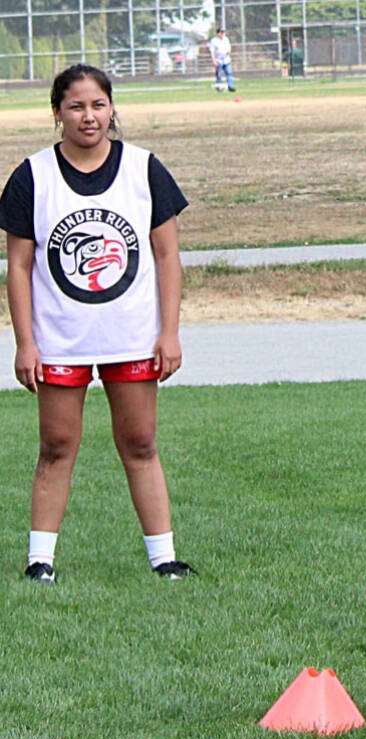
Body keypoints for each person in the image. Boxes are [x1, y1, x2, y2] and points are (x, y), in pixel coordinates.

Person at [0, 64, 195, 584]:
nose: (89, 116)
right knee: (56, 446)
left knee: (140, 444)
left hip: (131, 335)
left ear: (112, 108)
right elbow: (17, 266)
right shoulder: (32, 176)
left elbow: (167, 256)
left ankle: (165, 560)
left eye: (98, 105)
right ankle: (40, 561)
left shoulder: (145, 169)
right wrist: (25, 343)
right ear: (57, 113)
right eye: (76, 106)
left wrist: (169, 331)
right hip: (60, 339)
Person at [208, 27, 235, 92]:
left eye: (223, 32)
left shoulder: (226, 39)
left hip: (226, 60)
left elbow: (229, 48)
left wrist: (229, 52)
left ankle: (230, 86)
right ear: (218, 33)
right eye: (221, 32)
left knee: (229, 73)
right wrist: (214, 61)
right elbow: (212, 51)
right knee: (219, 75)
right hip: (218, 61)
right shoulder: (214, 41)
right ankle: (219, 87)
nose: (223, 34)